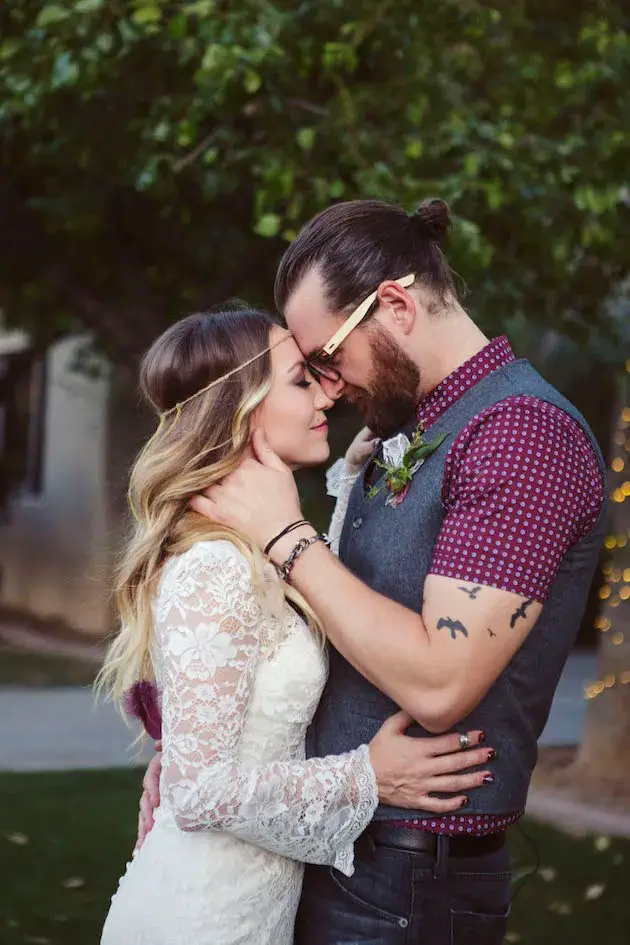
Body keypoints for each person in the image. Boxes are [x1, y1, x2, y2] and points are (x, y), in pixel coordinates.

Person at [182, 197, 607, 944]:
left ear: (395, 305)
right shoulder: (417, 426)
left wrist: (289, 537)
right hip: (342, 851)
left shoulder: (521, 434)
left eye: (328, 358)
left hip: (408, 881)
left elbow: (442, 682)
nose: (329, 387)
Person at [99, 306, 494, 945]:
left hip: (250, 912)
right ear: (241, 407)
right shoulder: (215, 566)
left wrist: (347, 486)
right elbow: (200, 793)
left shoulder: (251, 552)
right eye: (301, 381)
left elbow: (300, 611)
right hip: (201, 920)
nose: (327, 395)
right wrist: (369, 774)